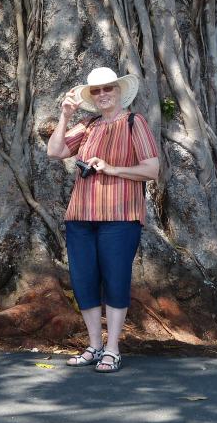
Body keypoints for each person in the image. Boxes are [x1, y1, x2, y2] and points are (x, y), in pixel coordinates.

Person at [47, 67, 159, 373]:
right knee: (84, 282)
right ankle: (95, 346)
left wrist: (111, 168)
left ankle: (113, 349)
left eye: (107, 88)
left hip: (121, 216)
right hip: (81, 216)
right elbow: (54, 151)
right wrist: (65, 116)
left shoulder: (135, 123)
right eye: (95, 91)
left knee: (115, 280)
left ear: (119, 91)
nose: (102, 95)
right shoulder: (87, 125)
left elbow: (151, 170)